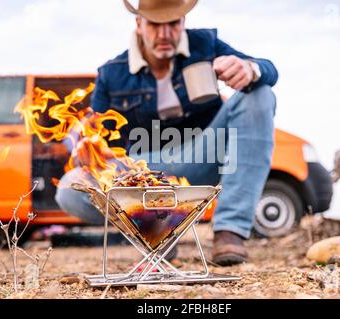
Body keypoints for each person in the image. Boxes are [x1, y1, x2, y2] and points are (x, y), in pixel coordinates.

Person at [56, 0, 278, 266]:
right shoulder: (112, 73)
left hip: (202, 157)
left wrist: (250, 69)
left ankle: (230, 229)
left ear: (183, 22)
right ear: (139, 24)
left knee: (259, 92)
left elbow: (269, 69)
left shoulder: (205, 45)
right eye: (155, 24)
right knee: (71, 186)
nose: (164, 34)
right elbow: (94, 133)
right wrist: (83, 146)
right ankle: (154, 230)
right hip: (143, 173)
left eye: (172, 23)